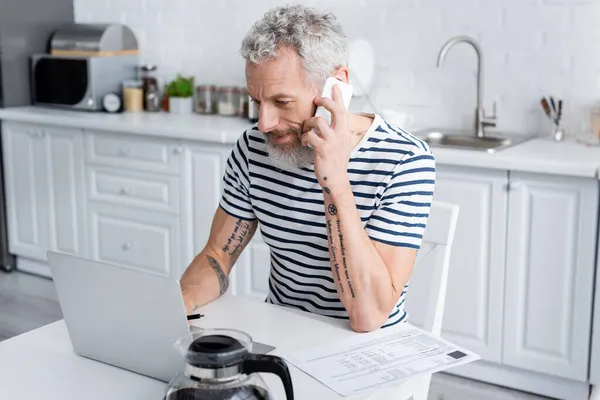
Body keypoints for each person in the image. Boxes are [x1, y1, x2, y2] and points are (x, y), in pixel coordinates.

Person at [180, 4, 435, 332]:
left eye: (282, 103)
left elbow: (367, 317)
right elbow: (217, 254)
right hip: (284, 335)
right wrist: (179, 303)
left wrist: (335, 181)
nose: (264, 123)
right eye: (257, 102)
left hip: (371, 348)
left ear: (336, 87)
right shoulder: (253, 150)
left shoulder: (405, 160)